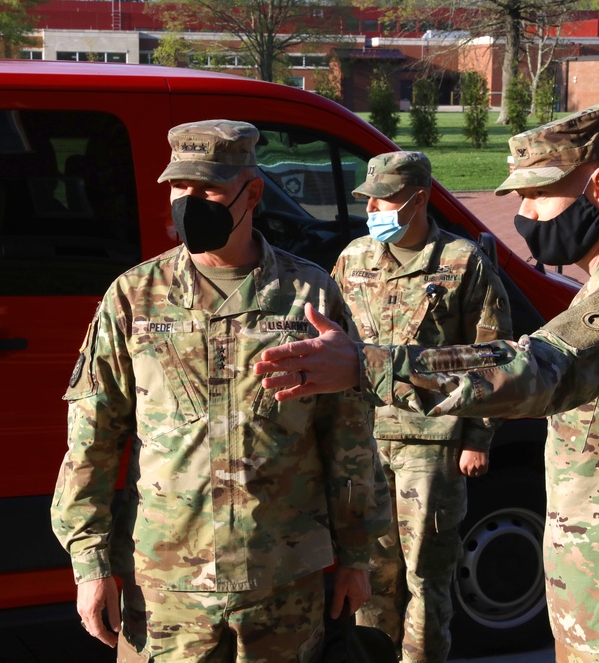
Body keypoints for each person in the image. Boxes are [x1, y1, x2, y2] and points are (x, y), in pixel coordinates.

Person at [255, 105, 599, 662]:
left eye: (537, 196)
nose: (525, 216)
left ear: (598, 185)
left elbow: (530, 368)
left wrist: (368, 365)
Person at [51, 119, 390, 662]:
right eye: (179, 188)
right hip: (166, 582)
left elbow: (347, 431)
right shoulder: (135, 297)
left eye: (207, 188)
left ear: (251, 192)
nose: (190, 201)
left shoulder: (308, 295)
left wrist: (356, 553)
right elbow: (92, 437)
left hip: (281, 577)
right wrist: (90, 565)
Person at [330, 151, 512, 663]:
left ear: (418, 198)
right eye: (368, 200)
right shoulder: (353, 259)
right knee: (369, 575)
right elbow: (333, 340)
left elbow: (493, 354)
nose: (373, 210)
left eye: (384, 199)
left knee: (426, 578)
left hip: (430, 445)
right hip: (364, 443)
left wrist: (478, 437)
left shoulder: (462, 262)